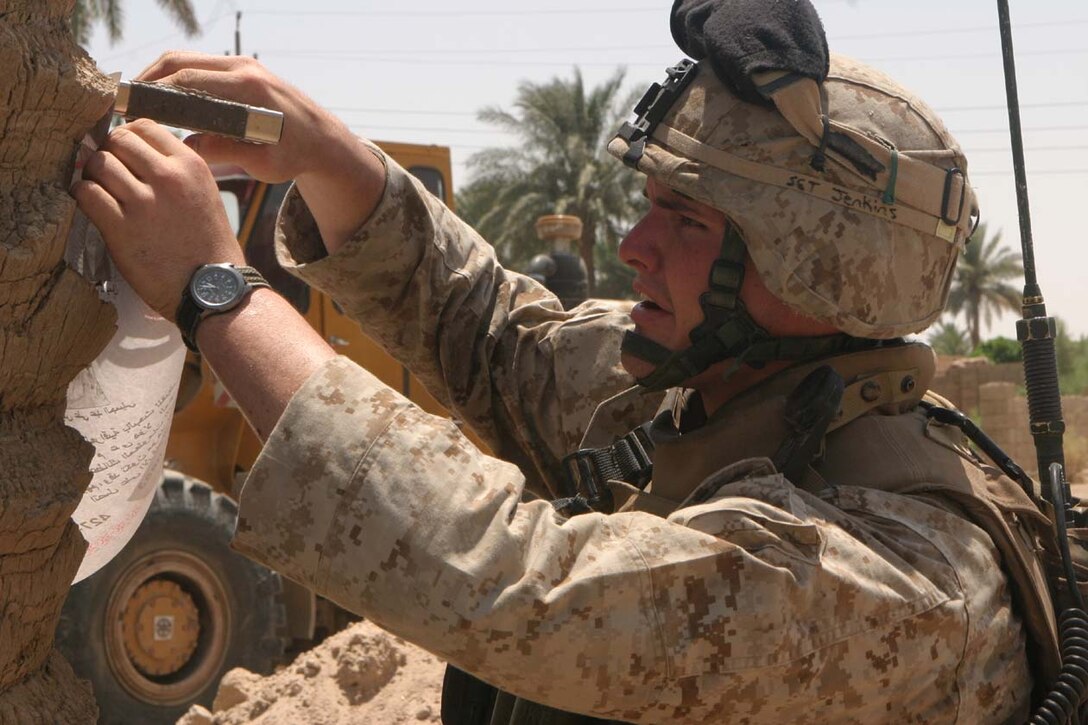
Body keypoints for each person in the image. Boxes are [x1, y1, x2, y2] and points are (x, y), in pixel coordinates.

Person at [72, 2, 1060, 722]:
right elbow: (496, 342)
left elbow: (528, 588)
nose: (634, 245)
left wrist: (217, 291)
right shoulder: (718, 390)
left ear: (811, 270)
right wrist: (330, 155)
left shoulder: (896, 579)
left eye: (684, 219)